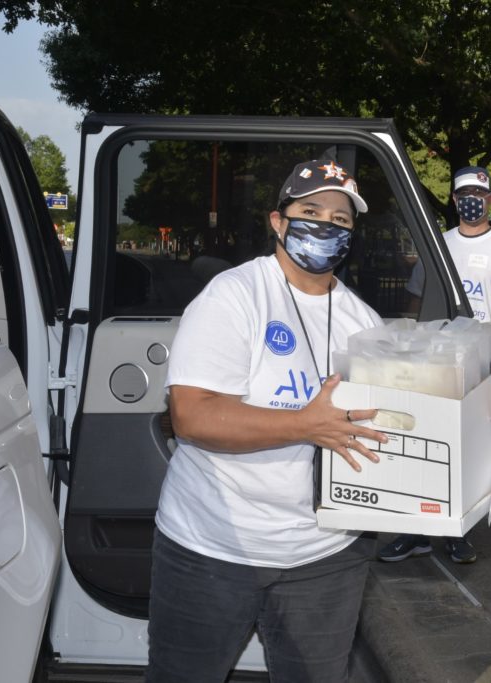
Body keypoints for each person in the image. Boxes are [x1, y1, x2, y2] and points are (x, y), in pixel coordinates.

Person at [146, 160, 389, 683]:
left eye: (341, 220)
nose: (326, 226)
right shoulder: (233, 296)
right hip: (211, 545)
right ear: (277, 222)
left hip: (326, 554)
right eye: (310, 212)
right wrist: (305, 424)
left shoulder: (364, 322)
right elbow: (191, 416)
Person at [379, 165, 491, 565]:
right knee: (426, 444)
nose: (472, 201)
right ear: (454, 199)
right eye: (465, 194)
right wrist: (410, 350)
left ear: (490, 199)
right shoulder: (439, 245)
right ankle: (414, 531)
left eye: (480, 195)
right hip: (437, 361)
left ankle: (457, 533)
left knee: (470, 450)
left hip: (483, 364)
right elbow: (417, 300)